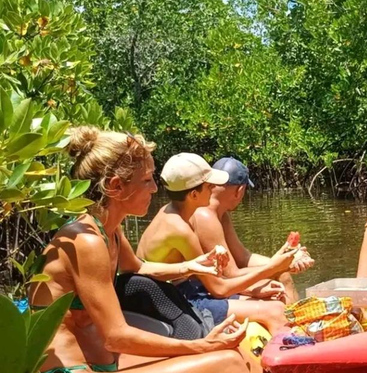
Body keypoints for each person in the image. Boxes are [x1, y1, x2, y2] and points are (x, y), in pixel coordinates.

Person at [28, 127, 251, 373]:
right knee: (228, 362)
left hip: (99, 360)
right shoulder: (87, 241)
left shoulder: (108, 229)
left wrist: (189, 266)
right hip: (68, 368)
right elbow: (117, 336)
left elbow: (138, 267)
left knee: (225, 355)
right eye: (147, 180)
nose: (155, 189)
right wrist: (202, 345)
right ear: (116, 187)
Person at [137, 153, 294, 334]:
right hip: (176, 301)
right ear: (194, 194)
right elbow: (219, 289)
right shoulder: (180, 229)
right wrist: (271, 268)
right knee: (275, 310)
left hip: (184, 291)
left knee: (270, 297)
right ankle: (291, 357)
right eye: (210, 186)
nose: (215, 190)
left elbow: (212, 277)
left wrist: (253, 289)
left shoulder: (174, 212)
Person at [190, 157, 315, 304]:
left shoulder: (220, 214)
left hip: (218, 283)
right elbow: (231, 274)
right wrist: (281, 266)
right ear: (240, 190)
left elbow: (243, 257)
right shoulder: (205, 216)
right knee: (282, 275)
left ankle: (294, 318)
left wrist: (290, 259)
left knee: (283, 274)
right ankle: (291, 320)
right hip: (199, 291)